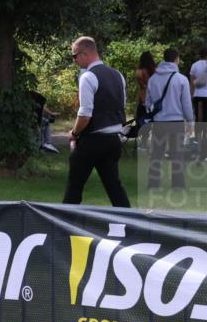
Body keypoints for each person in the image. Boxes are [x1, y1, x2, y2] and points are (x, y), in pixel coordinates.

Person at [62, 36, 131, 207]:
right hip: (114, 140)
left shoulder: (87, 77)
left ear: (84, 54)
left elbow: (85, 114)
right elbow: (120, 106)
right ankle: (130, 224)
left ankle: (65, 224)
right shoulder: (118, 75)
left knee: (74, 187)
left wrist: (74, 134)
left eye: (74, 56)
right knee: (115, 187)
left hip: (93, 140)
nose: (74, 60)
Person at [145, 47, 194, 189]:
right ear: (176, 59)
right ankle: (178, 185)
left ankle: (153, 184)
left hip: (159, 122)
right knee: (177, 155)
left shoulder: (153, 79)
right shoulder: (181, 79)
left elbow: (148, 103)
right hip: (176, 122)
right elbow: (186, 103)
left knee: (156, 155)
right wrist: (190, 122)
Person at [190, 45, 207, 161]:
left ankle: (197, 148)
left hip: (198, 96)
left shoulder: (194, 65)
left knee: (199, 122)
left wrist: (191, 96)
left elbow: (192, 83)